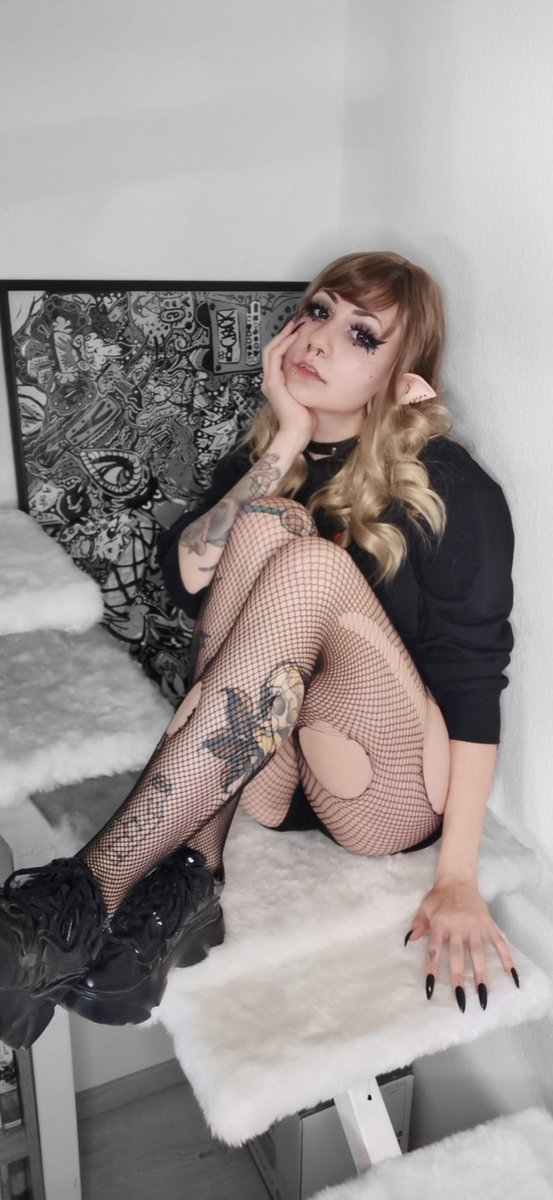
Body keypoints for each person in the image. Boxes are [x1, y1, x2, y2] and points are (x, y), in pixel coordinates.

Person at [0, 251, 518, 1051]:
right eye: (317, 311)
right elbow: (188, 580)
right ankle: (192, 876)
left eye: (361, 334)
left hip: (387, 793)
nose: (320, 338)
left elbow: (473, 678)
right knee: (268, 522)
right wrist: (287, 442)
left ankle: (76, 899)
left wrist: (456, 877)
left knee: (308, 559)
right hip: (273, 782)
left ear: (400, 376)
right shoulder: (265, 464)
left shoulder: (447, 483)